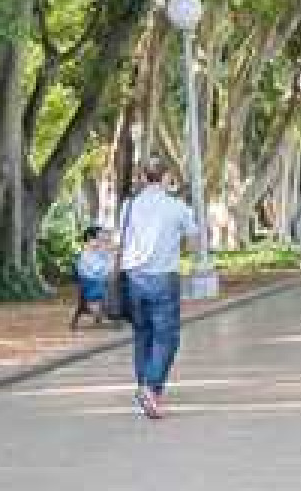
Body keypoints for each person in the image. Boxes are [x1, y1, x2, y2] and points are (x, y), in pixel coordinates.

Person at [119, 160, 201, 419]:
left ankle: (146, 388)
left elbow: (122, 237)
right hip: (163, 278)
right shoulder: (177, 207)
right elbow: (194, 238)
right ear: (166, 178)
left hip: (133, 278)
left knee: (143, 335)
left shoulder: (128, 206)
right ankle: (151, 388)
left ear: (143, 177)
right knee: (167, 338)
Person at [71, 226, 113, 330]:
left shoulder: (100, 250)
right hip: (90, 280)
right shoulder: (88, 251)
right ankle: (101, 312)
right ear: (90, 239)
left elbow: (108, 263)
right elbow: (96, 270)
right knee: (105, 288)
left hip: (96, 279)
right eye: (99, 237)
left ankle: (103, 313)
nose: (101, 239)